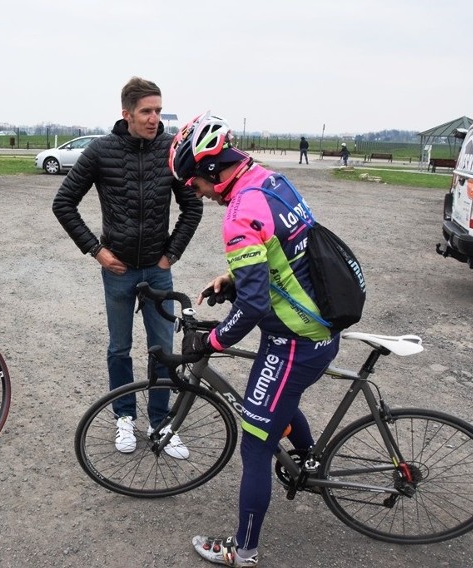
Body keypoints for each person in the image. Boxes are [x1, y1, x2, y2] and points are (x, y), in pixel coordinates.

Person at [168, 112, 340, 567]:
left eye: (193, 181)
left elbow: (254, 308)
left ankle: (242, 552)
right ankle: (308, 460)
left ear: (209, 169)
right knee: (274, 402)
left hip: (295, 337)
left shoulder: (240, 214)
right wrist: (234, 277)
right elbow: (285, 247)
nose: (193, 190)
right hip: (313, 325)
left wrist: (213, 343)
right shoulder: (270, 181)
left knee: (255, 443)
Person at [52, 77, 203, 459]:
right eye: (146, 111)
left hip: (157, 269)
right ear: (127, 113)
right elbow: (63, 202)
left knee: (163, 349)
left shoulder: (170, 151)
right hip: (117, 269)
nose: (154, 118)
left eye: (158, 110)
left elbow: (193, 206)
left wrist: (171, 254)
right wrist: (96, 251)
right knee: (120, 347)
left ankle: (159, 421)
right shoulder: (102, 150)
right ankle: (124, 417)